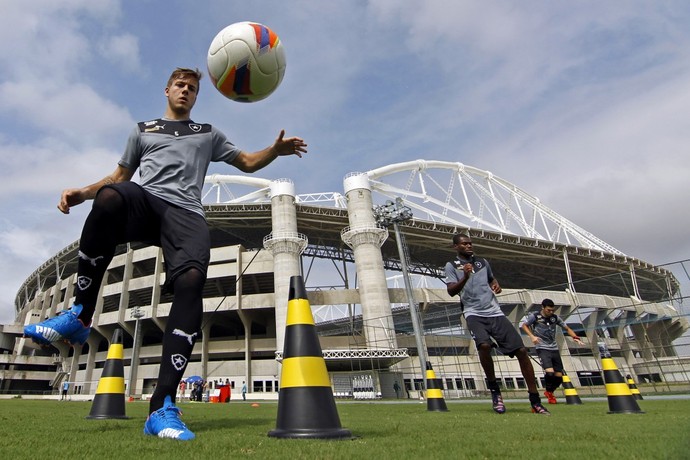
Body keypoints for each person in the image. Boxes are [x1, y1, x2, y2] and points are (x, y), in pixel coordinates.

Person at [23, 67, 307, 440]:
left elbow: (247, 162)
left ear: (195, 96)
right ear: (167, 90)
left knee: (191, 281)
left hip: (186, 213)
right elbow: (119, 178)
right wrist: (83, 192)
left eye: (192, 88)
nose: (186, 91)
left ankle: (162, 406)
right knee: (109, 199)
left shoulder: (207, 133)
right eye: (180, 85)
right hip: (148, 202)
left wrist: (274, 150)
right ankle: (80, 314)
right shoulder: (143, 130)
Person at [444, 233, 550, 415]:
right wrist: (465, 277)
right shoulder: (451, 266)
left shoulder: (483, 262)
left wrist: (495, 284)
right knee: (484, 346)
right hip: (473, 313)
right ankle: (495, 392)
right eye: (464, 244)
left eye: (470, 243)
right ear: (456, 247)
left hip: (495, 312)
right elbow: (451, 291)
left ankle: (535, 401)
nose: (469, 246)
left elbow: (491, 278)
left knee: (522, 351)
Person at [520, 298, 584, 404]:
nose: (551, 312)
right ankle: (550, 394)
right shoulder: (536, 316)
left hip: (554, 348)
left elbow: (567, 328)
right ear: (543, 308)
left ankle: (549, 391)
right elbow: (524, 326)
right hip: (542, 348)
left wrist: (575, 338)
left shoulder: (555, 318)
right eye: (548, 310)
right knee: (550, 373)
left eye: (552, 310)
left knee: (559, 376)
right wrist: (532, 336)